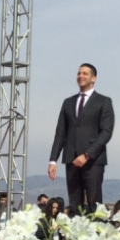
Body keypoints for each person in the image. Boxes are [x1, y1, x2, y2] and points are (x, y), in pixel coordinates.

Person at [48, 63, 115, 214]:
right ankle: (75, 228)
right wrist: (53, 160)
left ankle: (96, 228)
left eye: (85, 73)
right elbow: (60, 133)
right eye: (79, 73)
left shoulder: (103, 101)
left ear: (93, 78)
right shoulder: (68, 102)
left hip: (93, 160)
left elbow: (106, 132)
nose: (81, 76)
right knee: (74, 204)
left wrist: (87, 154)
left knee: (94, 203)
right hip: (71, 158)